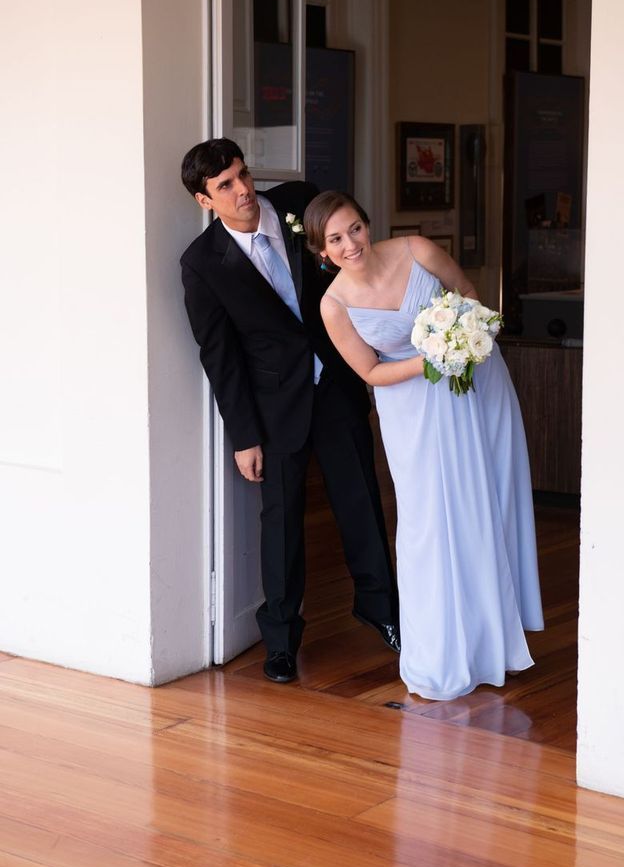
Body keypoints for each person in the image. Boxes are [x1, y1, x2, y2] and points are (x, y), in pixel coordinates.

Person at [304, 190, 544, 701]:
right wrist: (434, 356)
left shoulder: (417, 250)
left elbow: (471, 295)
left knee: (490, 502)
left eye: (355, 229)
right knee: (430, 522)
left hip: (478, 387)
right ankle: (441, 652)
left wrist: (461, 339)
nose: (351, 244)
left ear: (368, 225)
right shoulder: (333, 305)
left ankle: (495, 642)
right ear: (321, 251)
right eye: (335, 239)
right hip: (412, 412)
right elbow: (370, 370)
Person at [179, 139, 400, 685]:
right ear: (205, 200)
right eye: (225, 186)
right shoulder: (201, 264)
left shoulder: (301, 202)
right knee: (280, 525)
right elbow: (219, 354)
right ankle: (280, 639)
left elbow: (352, 265)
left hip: (339, 383)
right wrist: (243, 436)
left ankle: (383, 612)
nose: (242, 190)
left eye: (242, 174)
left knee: (361, 503)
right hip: (274, 408)